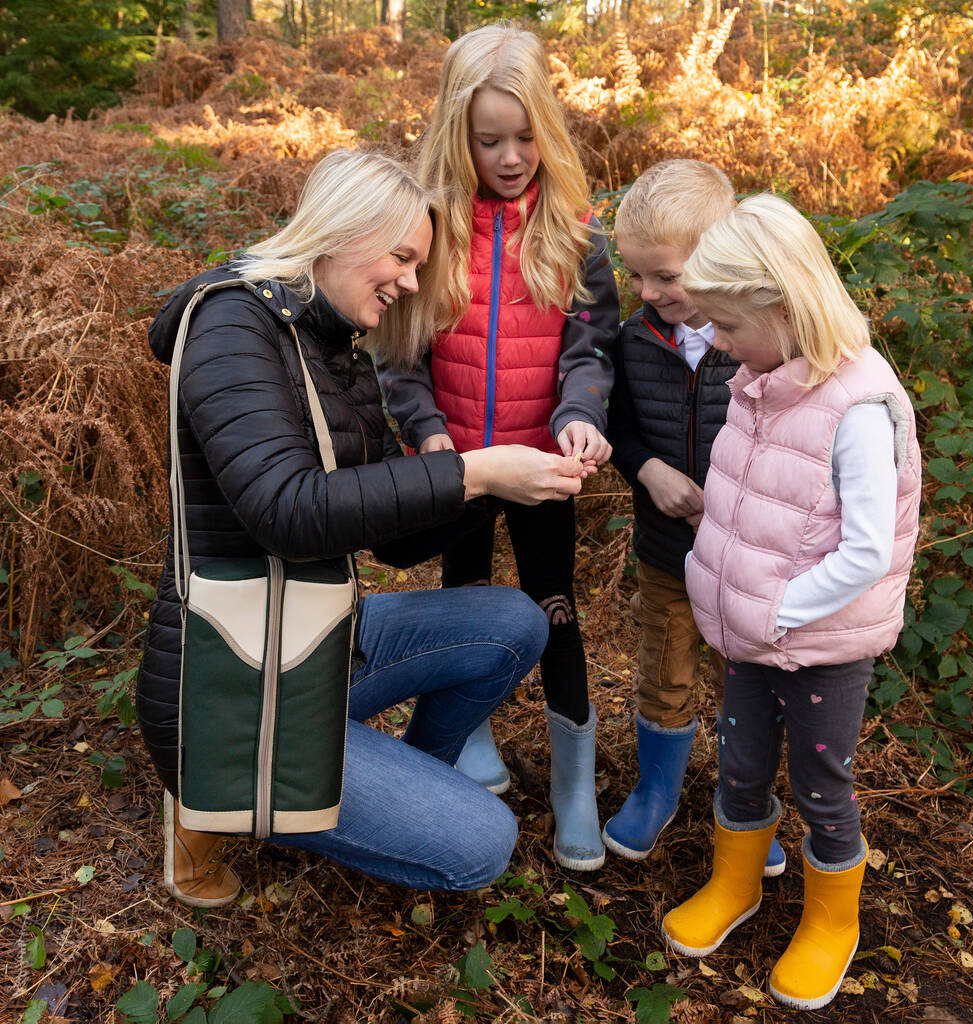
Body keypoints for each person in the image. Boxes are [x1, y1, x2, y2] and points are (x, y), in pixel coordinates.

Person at [137, 148, 597, 907]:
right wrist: (472, 472)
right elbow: (286, 510)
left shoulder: (330, 341)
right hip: (233, 691)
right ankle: (216, 794)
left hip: (313, 642)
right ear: (345, 233)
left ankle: (375, 786)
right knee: (481, 845)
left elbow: (393, 538)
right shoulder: (231, 326)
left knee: (514, 622)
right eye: (403, 258)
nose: (411, 282)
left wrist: (507, 489)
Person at [659, 193, 922, 1010]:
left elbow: (867, 551)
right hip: (749, 639)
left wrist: (774, 608)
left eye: (730, 327)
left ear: (782, 304)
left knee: (821, 785)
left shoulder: (859, 409)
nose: (721, 345)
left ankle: (831, 921)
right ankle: (736, 885)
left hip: (819, 649)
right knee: (738, 764)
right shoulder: (763, 381)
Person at [375, 24, 619, 872]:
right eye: (489, 141)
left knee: (555, 610)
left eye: (525, 137)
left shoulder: (574, 229)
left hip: (543, 467)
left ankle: (574, 784)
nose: (511, 157)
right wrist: (427, 432)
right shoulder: (429, 227)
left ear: (546, 129)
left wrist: (580, 412)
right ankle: (470, 729)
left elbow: (591, 346)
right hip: (457, 468)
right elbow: (398, 357)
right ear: (456, 133)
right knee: (464, 598)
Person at [602, 160, 786, 874]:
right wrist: (645, 469)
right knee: (665, 667)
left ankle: (746, 809)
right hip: (667, 551)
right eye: (636, 276)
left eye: (666, 277)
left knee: (742, 680)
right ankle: (657, 790)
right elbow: (617, 424)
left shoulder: (763, 347)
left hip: (748, 559)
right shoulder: (635, 342)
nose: (648, 293)